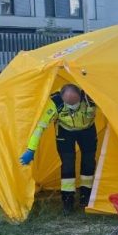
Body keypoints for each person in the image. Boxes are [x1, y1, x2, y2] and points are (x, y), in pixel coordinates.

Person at [19, 84, 98, 214]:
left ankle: (86, 196)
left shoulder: (90, 97)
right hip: (65, 131)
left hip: (87, 129)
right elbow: (40, 127)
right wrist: (31, 149)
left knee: (88, 162)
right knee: (68, 164)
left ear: (81, 95)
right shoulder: (55, 103)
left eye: (76, 103)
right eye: (69, 104)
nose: (73, 107)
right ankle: (67, 201)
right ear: (62, 98)